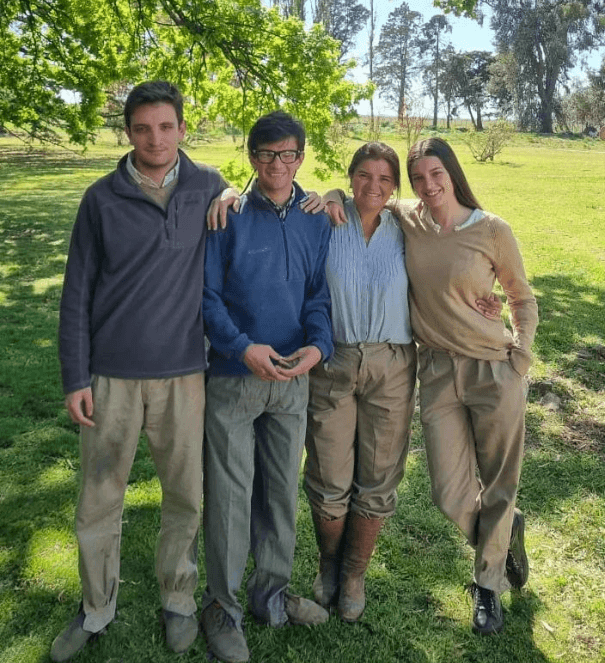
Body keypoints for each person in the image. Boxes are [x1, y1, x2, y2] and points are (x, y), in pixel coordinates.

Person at [331, 137, 536, 634]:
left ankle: (487, 587)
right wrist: (335, 197)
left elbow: (521, 298)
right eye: (418, 177)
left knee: (499, 481)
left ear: (452, 172)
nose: (428, 185)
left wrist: (520, 357)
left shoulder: (491, 230)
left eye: (436, 174)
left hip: (493, 369)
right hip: (439, 370)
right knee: (449, 493)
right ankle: (504, 535)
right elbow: (364, 194)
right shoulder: (410, 220)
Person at [53, 81, 227, 661]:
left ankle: (178, 600)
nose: (156, 138)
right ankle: (96, 606)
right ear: (128, 133)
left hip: (184, 375)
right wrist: (75, 376)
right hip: (111, 378)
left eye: (166, 126)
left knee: (186, 497)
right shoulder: (100, 199)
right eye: (143, 128)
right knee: (100, 500)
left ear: (183, 128)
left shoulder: (210, 187)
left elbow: (273, 197)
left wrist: (328, 193)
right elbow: (75, 294)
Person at [201, 110, 334, 663]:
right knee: (231, 499)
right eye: (265, 155)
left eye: (287, 155)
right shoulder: (227, 215)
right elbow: (207, 298)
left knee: (280, 494)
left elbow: (317, 298)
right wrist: (240, 347)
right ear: (251, 159)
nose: (277, 166)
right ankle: (223, 609)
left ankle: (271, 594)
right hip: (236, 378)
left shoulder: (315, 218)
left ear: (301, 157)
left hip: (291, 381)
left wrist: (318, 347)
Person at [302, 142, 417, 623]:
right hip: (334, 360)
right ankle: (328, 566)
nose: (374, 186)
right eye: (364, 176)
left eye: (385, 179)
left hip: (392, 363)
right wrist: (326, 193)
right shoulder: (326, 218)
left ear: (395, 187)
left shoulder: (410, 227)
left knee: (378, 473)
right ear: (349, 178)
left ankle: (354, 574)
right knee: (329, 470)